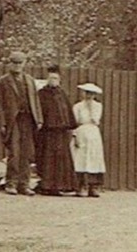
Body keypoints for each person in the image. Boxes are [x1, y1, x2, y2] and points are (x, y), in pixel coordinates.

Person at [0, 51, 42, 196]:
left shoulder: (30, 80)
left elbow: (36, 101)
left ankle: (24, 184)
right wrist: (2, 123)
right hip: (13, 120)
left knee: (26, 153)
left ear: (24, 64)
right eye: (14, 63)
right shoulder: (3, 81)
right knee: (14, 152)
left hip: (28, 119)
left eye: (20, 63)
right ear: (10, 64)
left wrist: (39, 119)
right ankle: (11, 183)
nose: (17, 66)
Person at [35, 65, 77, 196]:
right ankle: (47, 186)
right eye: (51, 78)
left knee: (61, 159)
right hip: (47, 132)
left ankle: (62, 186)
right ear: (47, 79)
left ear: (59, 80)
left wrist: (68, 125)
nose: (53, 80)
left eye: (56, 78)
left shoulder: (62, 93)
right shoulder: (42, 94)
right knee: (48, 158)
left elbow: (67, 111)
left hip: (61, 132)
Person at [72, 82, 106, 197]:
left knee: (94, 158)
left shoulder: (98, 106)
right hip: (81, 132)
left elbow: (95, 119)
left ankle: (94, 187)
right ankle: (81, 186)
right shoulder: (77, 106)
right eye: (87, 93)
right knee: (80, 159)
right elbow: (75, 122)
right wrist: (75, 136)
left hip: (93, 133)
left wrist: (91, 109)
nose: (89, 96)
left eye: (92, 94)